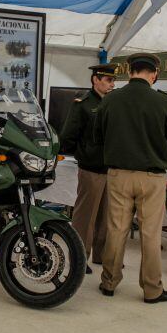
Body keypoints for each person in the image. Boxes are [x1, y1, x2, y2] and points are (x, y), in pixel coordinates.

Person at [96, 53, 167, 303]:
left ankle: (109, 282)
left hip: (118, 174)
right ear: (155, 73)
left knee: (116, 230)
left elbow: (97, 135)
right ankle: (152, 289)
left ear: (129, 72)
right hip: (152, 177)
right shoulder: (163, 101)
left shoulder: (111, 99)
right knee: (150, 234)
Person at [60, 63, 118, 274]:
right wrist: (84, 154)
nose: (112, 84)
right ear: (96, 80)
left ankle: (102, 255)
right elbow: (68, 136)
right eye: (108, 80)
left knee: (106, 217)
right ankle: (79, 257)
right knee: (86, 217)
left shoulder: (114, 103)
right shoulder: (83, 104)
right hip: (91, 168)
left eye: (113, 81)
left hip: (111, 168)